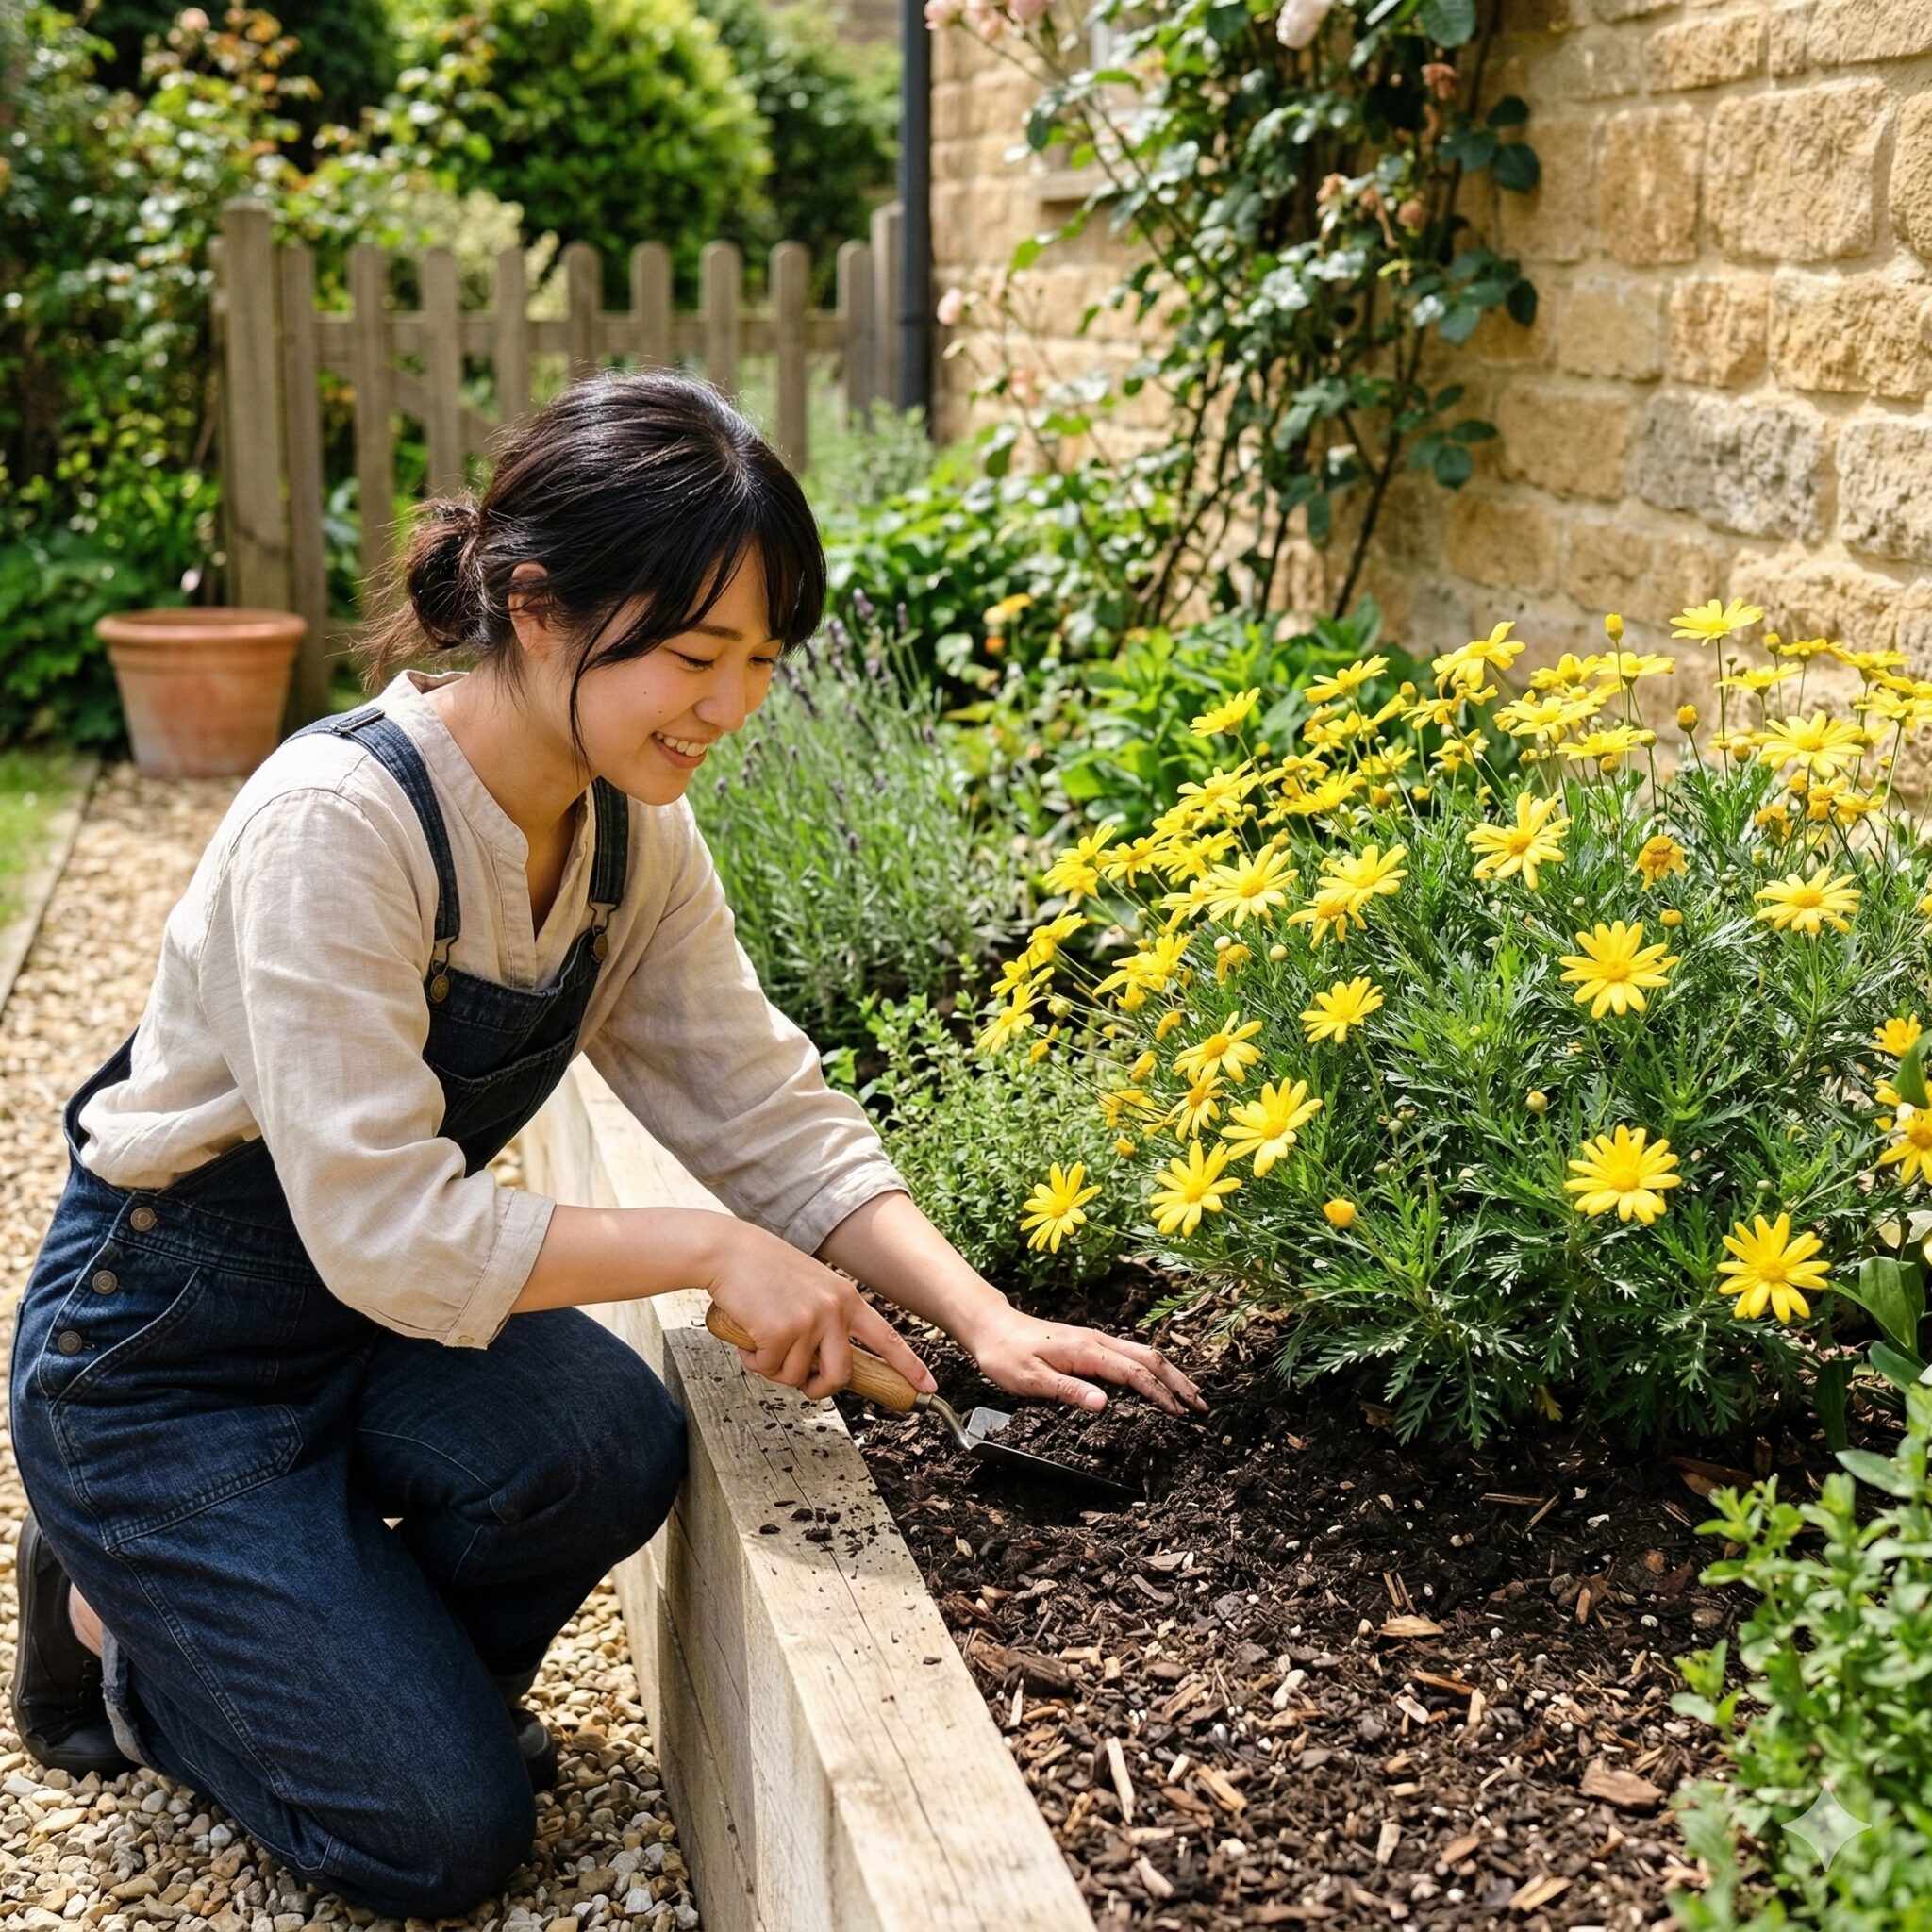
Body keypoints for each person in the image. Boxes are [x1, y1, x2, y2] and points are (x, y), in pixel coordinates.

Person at [8, 371, 1204, 1920]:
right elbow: (387, 1234)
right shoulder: (339, 826)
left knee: (607, 1441)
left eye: (761, 660)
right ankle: (115, 1631)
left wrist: (984, 1320)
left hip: (368, 1334)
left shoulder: (633, 835)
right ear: (535, 609)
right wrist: (711, 1248)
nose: (731, 705)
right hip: (166, 1363)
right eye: (696, 656)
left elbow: (762, 1107)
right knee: (440, 1841)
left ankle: (294, 1633)